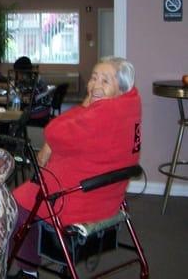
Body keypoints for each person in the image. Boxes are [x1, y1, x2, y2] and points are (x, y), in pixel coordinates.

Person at [9, 57, 142, 279]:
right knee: (36, 183)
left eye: (105, 81)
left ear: (121, 88)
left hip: (78, 199)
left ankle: (28, 271)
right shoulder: (129, 108)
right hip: (109, 197)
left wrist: (84, 106)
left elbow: (53, 130)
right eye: (94, 77)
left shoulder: (100, 115)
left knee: (16, 203)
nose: (95, 85)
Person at [12, 56, 50, 121]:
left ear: (23, 72)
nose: (17, 74)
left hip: (41, 110)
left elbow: (27, 100)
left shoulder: (36, 81)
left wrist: (19, 96)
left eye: (18, 72)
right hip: (40, 107)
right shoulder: (31, 77)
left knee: (14, 114)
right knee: (14, 110)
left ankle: (15, 130)